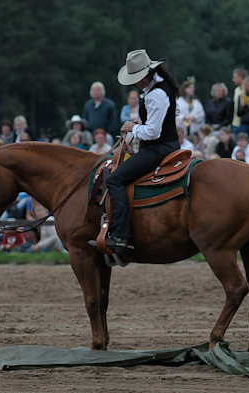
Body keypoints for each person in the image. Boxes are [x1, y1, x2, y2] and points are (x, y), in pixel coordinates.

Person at [104, 49, 181, 252]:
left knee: (114, 179)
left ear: (148, 73)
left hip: (158, 149)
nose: (137, 82)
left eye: (139, 78)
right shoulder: (160, 87)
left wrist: (133, 128)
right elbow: (162, 121)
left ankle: (120, 235)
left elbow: (153, 133)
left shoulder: (155, 95)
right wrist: (142, 122)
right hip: (166, 145)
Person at [231, 68, 247, 135]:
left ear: (241, 78)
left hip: (244, 122)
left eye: (235, 77)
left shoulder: (247, 91)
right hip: (235, 122)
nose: (233, 80)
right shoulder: (236, 90)